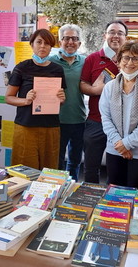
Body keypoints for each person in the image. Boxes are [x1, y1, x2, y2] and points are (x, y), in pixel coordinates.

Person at [100, 41, 138, 188]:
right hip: (115, 148)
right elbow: (105, 117)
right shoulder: (109, 87)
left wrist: (127, 143)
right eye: (126, 58)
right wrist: (120, 144)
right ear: (119, 61)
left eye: (135, 58)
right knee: (114, 192)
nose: (130, 63)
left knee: (135, 192)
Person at [5, 28, 66, 170]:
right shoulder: (22, 67)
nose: (43, 46)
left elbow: (61, 99)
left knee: (48, 171)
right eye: (39, 42)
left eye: (47, 43)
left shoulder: (57, 69)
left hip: (50, 127)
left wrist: (62, 99)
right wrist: (25, 101)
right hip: (26, 127)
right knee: (25, 172)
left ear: (51, 47)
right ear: (32, 44)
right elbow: (8, 98)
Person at [80, 20, 128, 183]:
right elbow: (82, 85)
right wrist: (95, 90)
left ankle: (112, 205)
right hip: (96, 121)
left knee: (117, 171)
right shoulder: (93, 58)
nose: (116, 36)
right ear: (105, 35)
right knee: (91, 168)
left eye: (120, 33)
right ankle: (89, 200)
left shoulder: (131, 60)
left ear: (125, 37)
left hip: (122, 124)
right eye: (112, 32)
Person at [48, 24, 87, 181]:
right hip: (57, 120)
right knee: (57, 161)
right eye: (67, 38)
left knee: (75, 161)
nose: (70, 42)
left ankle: (72, 190)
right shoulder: (50, 62)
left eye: (75, 38)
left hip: (79, 118)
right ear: (60, 41)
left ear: (79, 42)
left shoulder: (85, 61)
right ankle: (56, 190)